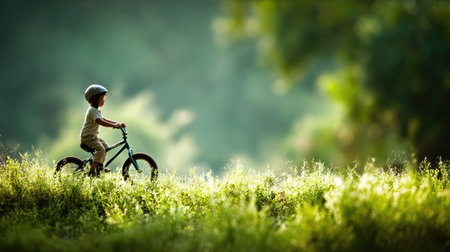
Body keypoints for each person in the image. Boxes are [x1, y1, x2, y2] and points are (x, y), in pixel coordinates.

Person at [80, 84, 126, 177]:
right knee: (101, 149)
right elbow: (100, 121)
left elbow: (104, 119)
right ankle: (92, 170)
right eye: (101, 98)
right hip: (87, 137)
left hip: (94, 137)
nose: (103, 100)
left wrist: (117, 123)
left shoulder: (97, 110)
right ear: (94, 99)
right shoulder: (92, 110)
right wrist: (114, 126)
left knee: (105, 147)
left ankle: (99, 166)